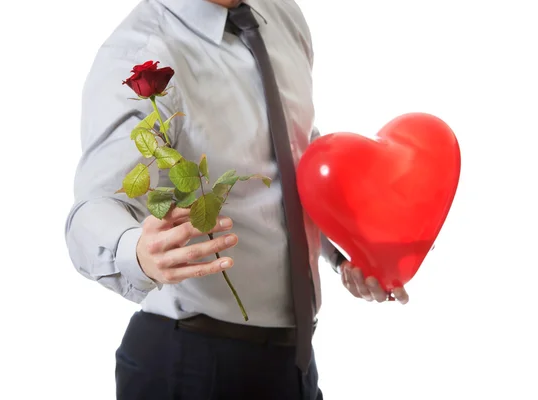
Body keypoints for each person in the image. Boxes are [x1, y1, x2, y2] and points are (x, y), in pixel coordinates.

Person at [65, 0, 409, 398]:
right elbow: (94, 207)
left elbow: (294, 155)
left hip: (293, 365)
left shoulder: (281, 14)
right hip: (191, 369)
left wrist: (350, 250)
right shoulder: (143, 53)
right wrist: (138, 251)